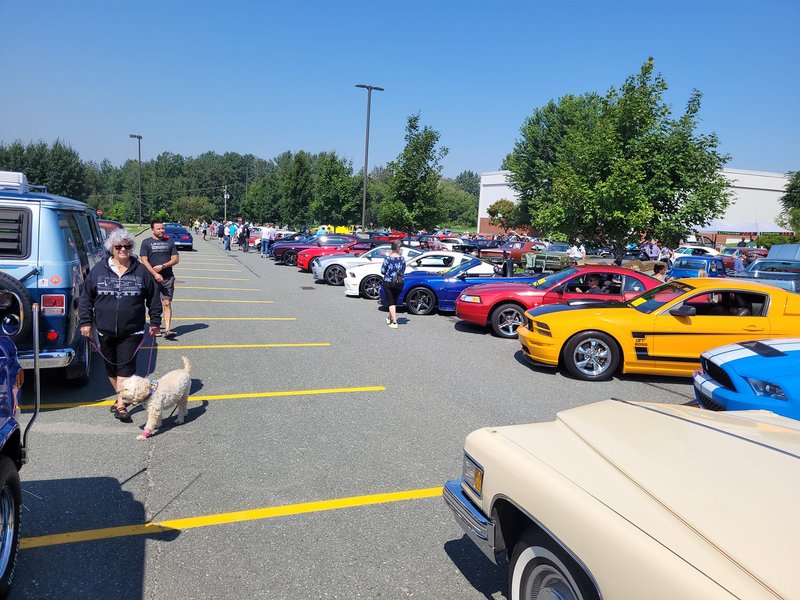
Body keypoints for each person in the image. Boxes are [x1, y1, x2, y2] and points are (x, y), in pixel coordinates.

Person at [79, 228, 162, 423]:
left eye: (127, 246)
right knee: (111, 368)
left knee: (125, 368)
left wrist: (156, 321)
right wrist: (85, 322)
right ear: (111, 248)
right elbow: (86, 299)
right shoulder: (99, 270)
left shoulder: (141, 271)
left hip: (132, 330)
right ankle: (121, 396)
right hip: (104, 329)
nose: (123, 249)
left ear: (132, 247)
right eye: (119, 246)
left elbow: (154, 298)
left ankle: (121, 406)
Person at [140, 220, 180, 340]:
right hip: (151, 278)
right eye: (158, 229)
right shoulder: (146, 243)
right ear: (152, 229)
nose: (161, 230)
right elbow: (144, 260)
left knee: (167, 303)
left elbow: (176, 259)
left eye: (162, 228)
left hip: (167, 277)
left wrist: (163, 266)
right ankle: (155, 325)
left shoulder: (169, 242)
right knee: (153, 303)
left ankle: (168, 329)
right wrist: (154, 273)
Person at [380, 240, 407, 329]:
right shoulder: (402, 259)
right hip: (399, 282)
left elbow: (383, 271)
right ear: (398, 248)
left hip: (388, 281)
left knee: (391, 301)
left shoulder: (387, 259)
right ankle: (390, 317)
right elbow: (403, 270)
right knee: (393, 301)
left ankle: (395, 322)